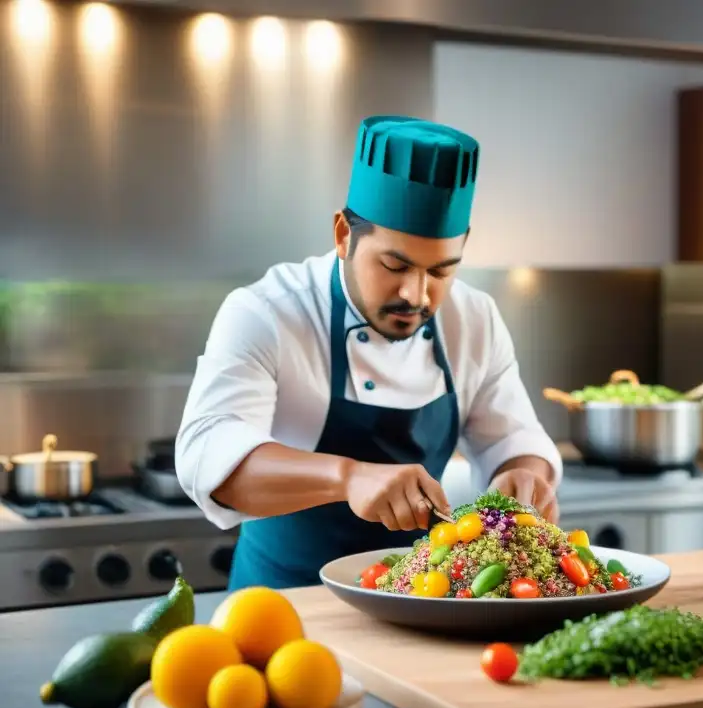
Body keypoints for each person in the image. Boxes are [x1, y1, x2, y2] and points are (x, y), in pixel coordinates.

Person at [175, 115, 563, 591]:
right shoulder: (267, 312)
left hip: (418, 603)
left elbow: (515, 440)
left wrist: (524, 476)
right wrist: (347, 478)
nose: (416, 294)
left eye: (441, 272)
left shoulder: (474, 319)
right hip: (283, 604)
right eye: (394, 264)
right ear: (343, 235)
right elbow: (208, 456)